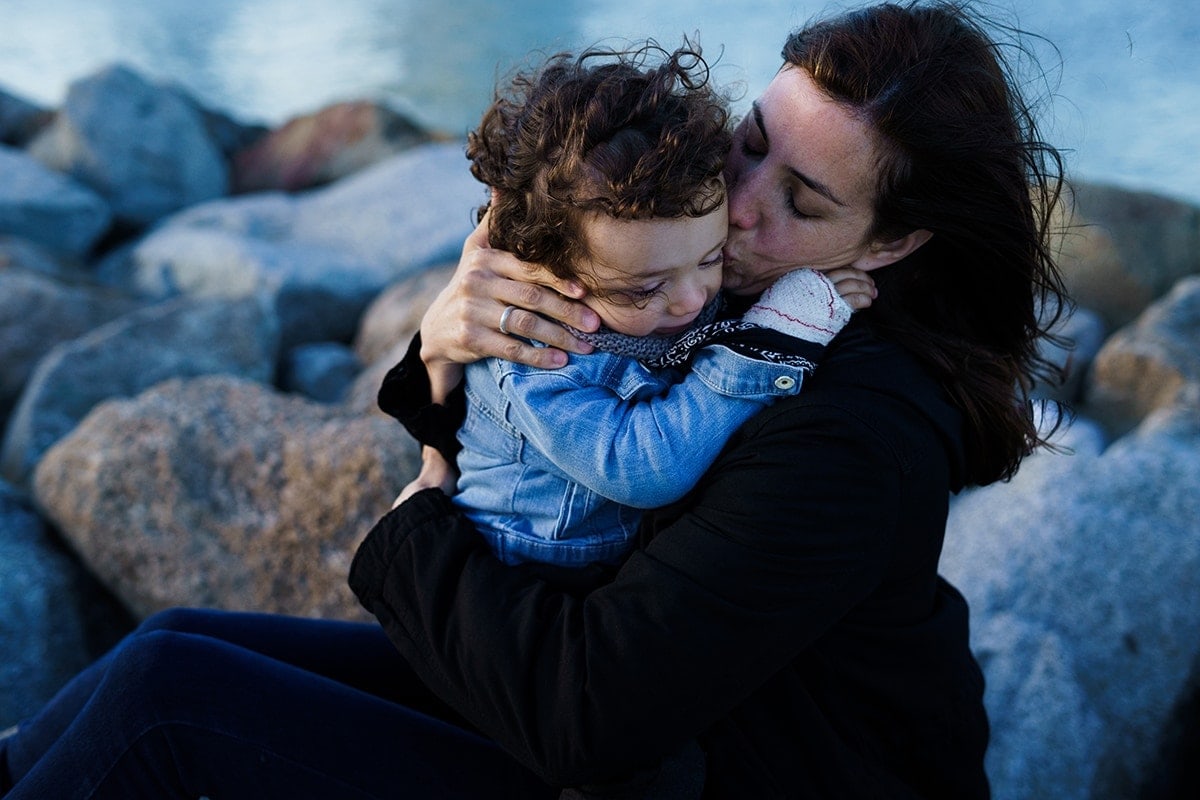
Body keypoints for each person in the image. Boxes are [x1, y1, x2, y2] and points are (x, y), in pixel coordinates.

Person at [0, 3, 1068, 798]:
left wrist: (416, 531)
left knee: (168, 709)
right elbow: (508, 410)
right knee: (169, 644)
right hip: (622, 706)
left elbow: (589, 715)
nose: (735, 207)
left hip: (724, 766)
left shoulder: (856, 426)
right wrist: (453, 332)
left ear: (892, 242)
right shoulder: (713, 276)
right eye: (750, 144)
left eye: (802, 198)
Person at [383, 42, 861, 569]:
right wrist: (765, 341)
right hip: (524, 570)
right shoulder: (539, 359)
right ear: (551, 272)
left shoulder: (658, 263)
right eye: (642, 290)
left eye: (711, 258)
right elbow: (646, 469)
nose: (692, 299)